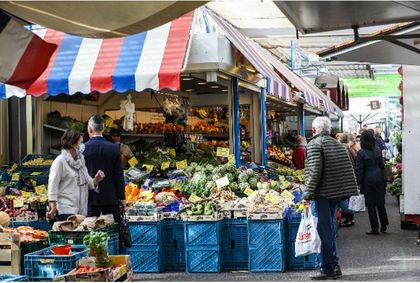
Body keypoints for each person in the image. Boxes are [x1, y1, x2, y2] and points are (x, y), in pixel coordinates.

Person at [304, 117, 358, 280]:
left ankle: (328, 267)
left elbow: (314, 171)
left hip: (323, 194)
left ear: (314, 130)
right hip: (337, 193)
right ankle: (333, 264)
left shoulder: (315, 144)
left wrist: (307, 193)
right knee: (330, 229)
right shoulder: (338, 144)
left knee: (324, 230)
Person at [47, 129, 105, 221]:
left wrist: (97, 179)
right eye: (81, 143)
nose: (83, 146)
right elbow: (52, 185)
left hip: (80, 212)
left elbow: (89, 183)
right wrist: (53, 208)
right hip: (65, 211)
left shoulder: (81, 161)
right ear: (72, 144)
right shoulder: (60, 161)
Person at [84, 115, 125, 223]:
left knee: (89, 230)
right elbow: (119, 176)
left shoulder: (82, 149)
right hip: (110, 197)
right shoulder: (114, 148)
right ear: (103, 129)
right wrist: (122, 197)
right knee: (112, 230)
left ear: (90, 129)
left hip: (89, 198)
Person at [355, 129, 389, 235]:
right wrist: (384, 178)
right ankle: (384, 224)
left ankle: (375, 228)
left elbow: (359, 169)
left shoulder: (361, 153)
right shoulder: (377, 149)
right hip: (379, 177)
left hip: (368, 179)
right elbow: (382, 165)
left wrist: (358, 182)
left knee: (370, 204)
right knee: (380, 202)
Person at [338, 133, 356, 227]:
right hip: (349, 176)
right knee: (346, 198)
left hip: (343, 177)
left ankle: (349, 216)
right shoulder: (350, 149)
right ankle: (350, 217)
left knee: (342, 199)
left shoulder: (342, 149)